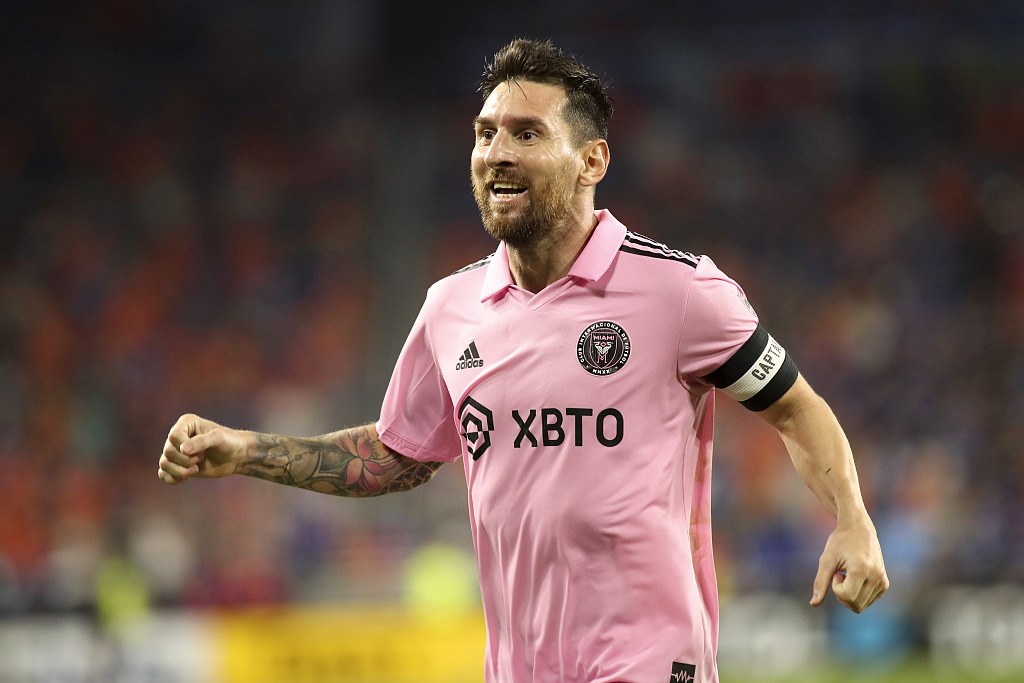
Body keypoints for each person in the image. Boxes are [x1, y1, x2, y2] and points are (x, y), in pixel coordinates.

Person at [159, 38, 888, 683]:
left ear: (592, 160)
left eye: (526, 133)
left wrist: (852, 518)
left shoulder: (680, 292)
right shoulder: (451, 308)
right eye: (484, 133)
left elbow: (797, 406)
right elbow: (395, 456)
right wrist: (246, 448)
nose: (495, 151)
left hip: (651, 660)